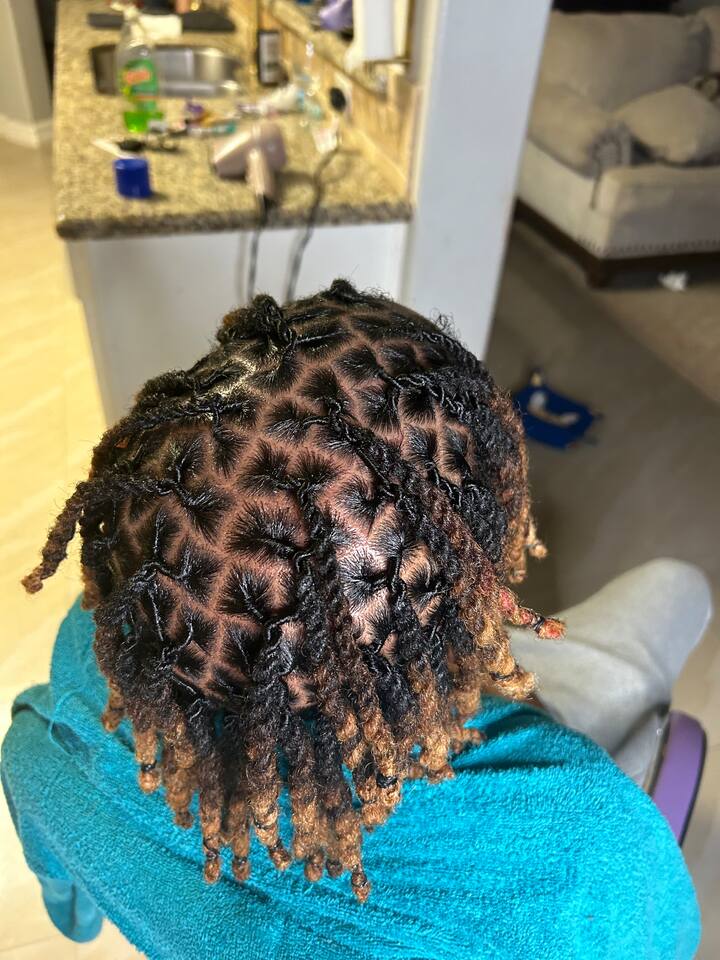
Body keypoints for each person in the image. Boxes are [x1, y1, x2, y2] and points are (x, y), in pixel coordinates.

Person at [2, 281, 700, 959]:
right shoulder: (587, 847)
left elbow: (70, 899)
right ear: (473, 578)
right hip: (508, 751)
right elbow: (667, 937)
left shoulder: (54, 732)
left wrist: (82, 907)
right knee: (682, 587)